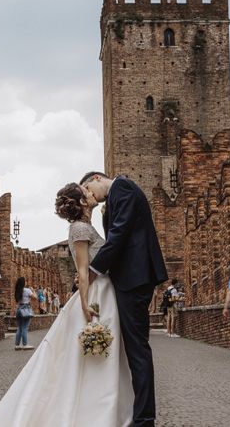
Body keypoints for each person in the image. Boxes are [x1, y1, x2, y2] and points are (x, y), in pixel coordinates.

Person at [0, 183, 133, 426]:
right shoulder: (80, 228)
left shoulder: (86, 225)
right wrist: (85, 304)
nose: (91, 192)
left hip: (104, 290)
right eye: (86, 191)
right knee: (87, 356)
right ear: (83, 203)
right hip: (96, 294)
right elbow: (83, 272)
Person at [84, 172, 169, 427]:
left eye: (88, 188)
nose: (89, 195)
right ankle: (139, 413)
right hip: (131, 279)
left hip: (135, 279)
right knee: (134, 349)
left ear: (98, 177)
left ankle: (144, 419)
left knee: (137, 350)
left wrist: (91, 271)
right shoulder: (115, 197)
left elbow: (118, 235)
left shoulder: (123, 188)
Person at [13, 277, 36, 351]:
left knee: (19, 327)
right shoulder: (27, 290)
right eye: (25, 281)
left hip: (19, 309)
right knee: (25, 328)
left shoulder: (17, 291)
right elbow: (35, 298)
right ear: (23, 283)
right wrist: (33, 291)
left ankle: (17, 345)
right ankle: (25, 344)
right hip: (25, 309)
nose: (26, 282)